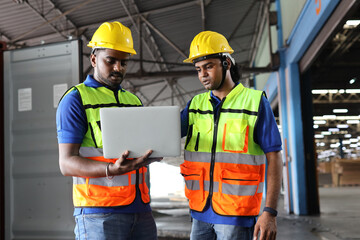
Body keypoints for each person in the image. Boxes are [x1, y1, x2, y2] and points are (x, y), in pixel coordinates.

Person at [56, 21, 161, 240]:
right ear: (94, 59)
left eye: (123, 62)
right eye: (110, 60)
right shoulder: (76, 99)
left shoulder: (132, 100)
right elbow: (66, 164)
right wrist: (111, 170)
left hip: (140, 210)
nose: (118, 68)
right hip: (99, 213)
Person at [180, 31, 283, 240]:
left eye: (208, 66)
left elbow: (274, 157)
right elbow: (163, 135)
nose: (203, 75)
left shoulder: (254, 102)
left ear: (226, 63)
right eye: (198, 69)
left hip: (237, 214)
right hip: (199, 213)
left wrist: (269, 212)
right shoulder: (195, 105)